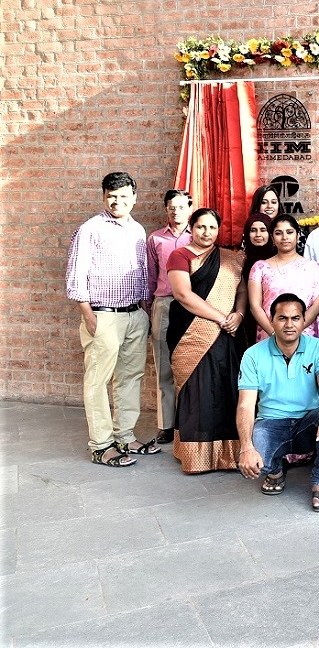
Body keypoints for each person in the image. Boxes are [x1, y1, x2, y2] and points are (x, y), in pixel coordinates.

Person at [66, 171, 158, 467]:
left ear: (134, 197)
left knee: (130, 378)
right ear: (104, 197)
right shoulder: (90, 229)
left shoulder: (138, 230)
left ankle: (125, 435)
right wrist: (87, 313)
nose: (117, 201)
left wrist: (143, 309)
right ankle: (101, 445)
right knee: (98, 380)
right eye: (111, 196)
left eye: (123, 196)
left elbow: (142, 271)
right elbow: (76, 272)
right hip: (103, 315)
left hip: (134, 314)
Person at [236, 293, 319, 512]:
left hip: (308, 423)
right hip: (272, 422)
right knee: (258, 464)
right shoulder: (253, 354)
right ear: (271, 320)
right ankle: (275, 470)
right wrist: (246, 447)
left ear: (304, 321)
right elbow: (246, 404)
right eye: (282, 318)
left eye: (295, 318)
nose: (289, 324)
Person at [166, 208, 247, 473]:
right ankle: (194, 456)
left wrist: (239, 314)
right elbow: (183, 295)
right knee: (197, 391)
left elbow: (242, 289)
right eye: (201, 227)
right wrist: (222, 318)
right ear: (192, 227)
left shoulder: (229, 258)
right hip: (191, 332)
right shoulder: (180, 255)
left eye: (212, 227)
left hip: (226, 334)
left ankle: (229, 454)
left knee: (225, 388)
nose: (207, 232)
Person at [147, 189, 193, 444]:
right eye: (171, 207)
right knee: (164, 367)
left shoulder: (197, 236)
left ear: (189, 207)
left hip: (191, 304)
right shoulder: (155, 239)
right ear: (166, 210)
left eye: (181, 206)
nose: (176, 211)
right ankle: (166, 424)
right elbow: (151, 276)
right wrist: (149, 308)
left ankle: (187, 421)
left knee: (189, 364)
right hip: (164, 303)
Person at [248, 214, 319, 341]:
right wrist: (274, 334)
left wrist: (294, 331)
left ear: (298, 235)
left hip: (304, 335)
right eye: (278, 233)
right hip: (269, 335)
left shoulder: (313, 269)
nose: (284, 237)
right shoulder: (260, 267)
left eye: (289, 232)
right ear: (272, 237)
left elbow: (317, 306)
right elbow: (255, 306)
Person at [237, 213, 276, 353]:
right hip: (247, 319)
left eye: (263, 230)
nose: (258, 234)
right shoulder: (240, 260)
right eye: (253, 230)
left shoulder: (279, 258)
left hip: (273, 318)